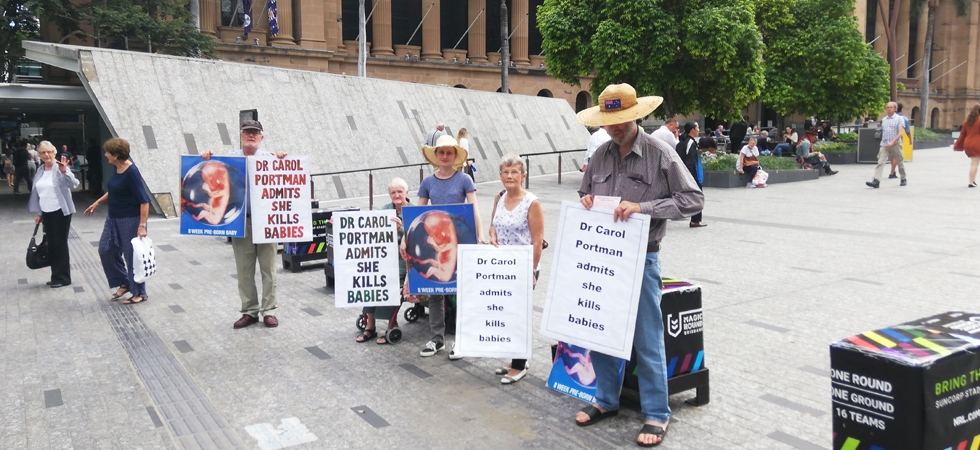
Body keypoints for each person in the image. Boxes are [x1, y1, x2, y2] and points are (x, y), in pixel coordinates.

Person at [575, 83, 703, 447]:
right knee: (598, 330)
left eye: (621, 119)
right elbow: (584, 191)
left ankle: (657, 413)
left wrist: (644, 208)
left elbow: (692, 199)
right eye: (608, 121)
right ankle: (605, 399)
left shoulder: (660, 152)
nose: (614, 127)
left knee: (647, 339)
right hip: (601, 258)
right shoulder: (600, 154)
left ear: (637, 116)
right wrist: (586, 200)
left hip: (643, 257)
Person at [200, 120, 288, 328]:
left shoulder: (271, 159)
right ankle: (249, 311)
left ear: (261, 138)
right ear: (241, 136)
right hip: (242, 222)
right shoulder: (229, 160)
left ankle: (269, 311)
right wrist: (205, 159)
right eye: (247, 132)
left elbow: (286, 184)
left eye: (255, 133)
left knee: (269, 270)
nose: (251, 135)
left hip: (267, 222)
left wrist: (283, 161)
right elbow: (211, 173)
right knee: (244, 270)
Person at [410, 134, 484, 359]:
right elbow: (418, 213)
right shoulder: (427, 182)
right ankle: (436, 338)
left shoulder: (464, 180)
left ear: (455, 156)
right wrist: (408, 237)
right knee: (434, 293)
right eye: (441, 152)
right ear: (436, 156)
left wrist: (479, 237)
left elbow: (474, 209)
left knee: (460, 292)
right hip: (435, 241)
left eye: (449, 153)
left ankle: (462, 339)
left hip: (459, 240)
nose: (444, 156)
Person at [487, 154, 544, 384]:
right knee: (506, 312)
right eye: (505, 172)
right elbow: (493, 224)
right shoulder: (499, 197)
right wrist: (491, 236)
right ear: (501, 176)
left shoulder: (532, 203)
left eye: (514, 172)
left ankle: (519, 365)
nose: (510, 176)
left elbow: (538, 240)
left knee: (518, 314)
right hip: (502, 265)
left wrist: (531, 271)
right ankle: (515, 358)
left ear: (523, 176)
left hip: (523, 266)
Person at [83, 138, 151, 304]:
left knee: (131, 256)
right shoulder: (117, 168)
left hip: (130, 219)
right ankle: (124, 282)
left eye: (108, 152)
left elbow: (144, 201)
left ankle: (139, 293)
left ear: (115, 155)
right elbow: (114, 190)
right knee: (106, 249)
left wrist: (142, 225)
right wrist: (98, 202)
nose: (105, 155)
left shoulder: (132, 172)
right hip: (113, 217)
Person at [357, 178, 411, 344]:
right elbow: (368, 230)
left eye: (400, 192)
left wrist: (402, 231)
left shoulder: (413, 211)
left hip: (404, 261)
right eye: (393, 192)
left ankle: (391, 324)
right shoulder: (384, 210)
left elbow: (419, 239)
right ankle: (370, 325)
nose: (396, 195)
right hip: (383, 259)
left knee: (393, 287)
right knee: (370, 283)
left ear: (406, 193)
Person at [28, 141, 80, 288]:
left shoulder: (60, 168)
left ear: (54, 153)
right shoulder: (40, 170)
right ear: (39, 155)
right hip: (46, 211)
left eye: (49, 152)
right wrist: (40, 213)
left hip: (61, 211)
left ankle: (63, 277)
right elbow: (40, 193)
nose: (46, 155)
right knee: (51, 244)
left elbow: (74, 183)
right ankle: (55, 276)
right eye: (43, 153)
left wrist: (64, 171)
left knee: (60, 244)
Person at [867, 102, 907, 188]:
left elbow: (901, 133)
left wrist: (892, 142)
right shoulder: (884, 119)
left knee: (900, 162)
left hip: (895, 144)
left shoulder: (899, 119)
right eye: (888, 107)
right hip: (884, 144)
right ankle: (876, 181)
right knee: (880, 162)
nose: (889, 109)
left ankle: (903, 178)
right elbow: (882, 130)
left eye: (891, 107)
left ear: (895, 109)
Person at [676, 122, 706, 227]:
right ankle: (695, 221)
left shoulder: (686, 141)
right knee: (697, 197)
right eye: (697, 127)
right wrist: (691, 178)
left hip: (687, 174)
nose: (698, 129)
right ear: (692, 129)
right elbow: (689, 162)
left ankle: (695, 220)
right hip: (692, 175)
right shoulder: (690, 143)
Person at [953, 104, 980, 188]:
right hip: (977, 143)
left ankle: (973, 180)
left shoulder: (966, 121)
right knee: (975, 163)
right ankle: (971, 182)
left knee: (973, 163)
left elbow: (962, 134)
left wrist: (957, 145)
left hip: (968, 143)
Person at [890, 104, 912, 179]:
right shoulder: (903, 118)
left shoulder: (889, 117)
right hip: (897, 139)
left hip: (889, 139)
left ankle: (892, 172)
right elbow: (907, 131)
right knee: (896, 156)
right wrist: (910, 140)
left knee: (892, 156)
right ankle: (892, 172)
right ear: (901, 109)